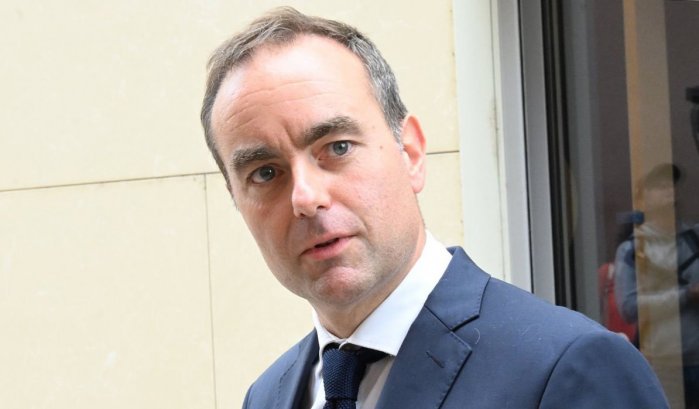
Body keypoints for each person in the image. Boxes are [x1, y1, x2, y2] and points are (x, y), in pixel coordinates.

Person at [200, 7, 668, 408]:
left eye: (337, 147)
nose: (305, 197)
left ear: (411, 153)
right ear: (237, 202)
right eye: (265, 173)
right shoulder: (268, 396)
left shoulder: (569, 367)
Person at [614, 164, 699, 408]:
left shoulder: (695, 237)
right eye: (660, 186)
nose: (669, 191)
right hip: (662, 363)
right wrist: (687, 295)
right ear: (644, 197)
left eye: (671, 185)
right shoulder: (633, 250)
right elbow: (629, 307)